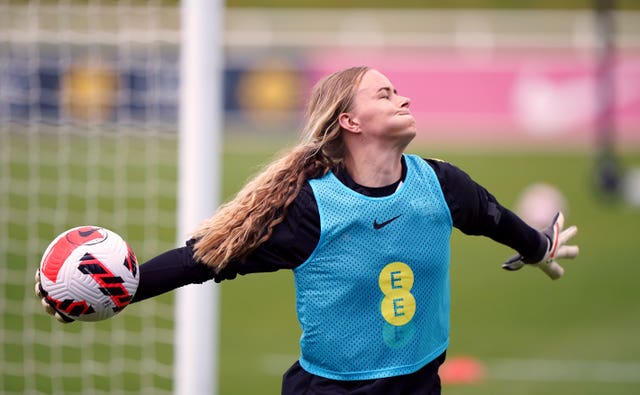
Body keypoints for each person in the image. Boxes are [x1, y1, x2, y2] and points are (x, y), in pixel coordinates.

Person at [35, 66, 579, 394]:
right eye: (385, 94)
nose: (404, 98)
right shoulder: (309, 212)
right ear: (350, 121)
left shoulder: (442, 185)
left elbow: (494, 219)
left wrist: (538, 247)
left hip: (418, 389)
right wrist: (118, 290)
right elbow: (200, 261)